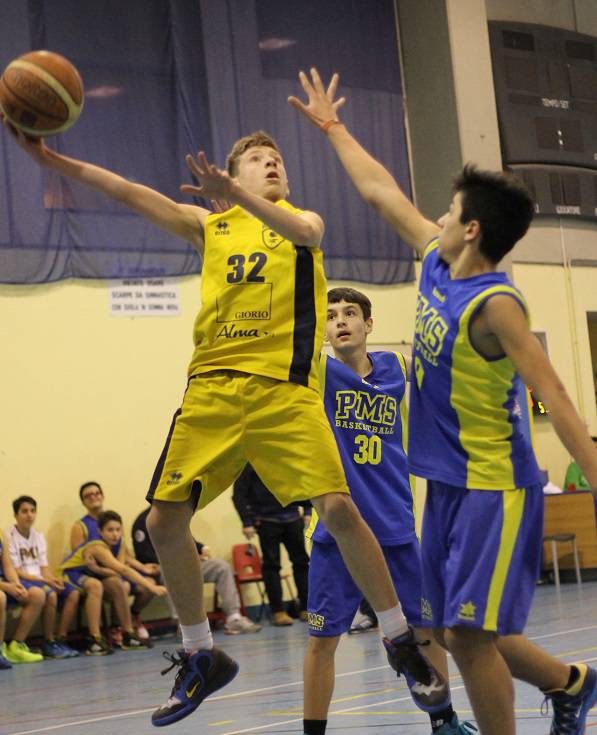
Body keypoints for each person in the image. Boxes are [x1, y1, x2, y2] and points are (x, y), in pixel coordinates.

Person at [4, 120, 444, 729]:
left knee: (340, 509)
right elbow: (130, 191)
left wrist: (240, 196)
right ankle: (200, 652)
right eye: (258, 160)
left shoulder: (301, 222)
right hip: (211, 390)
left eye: (276, 160)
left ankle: (400, 640)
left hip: (283, 392)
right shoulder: (210, 228)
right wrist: (53, 160)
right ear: (230, 177)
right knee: (162, 519)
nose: (271, 165)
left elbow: (305, 229)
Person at [289, 68, 597, 735]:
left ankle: (556, 695)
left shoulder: (497, 304)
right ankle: (569, 683)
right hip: (446, 486)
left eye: (450, 211)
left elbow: (556, 395)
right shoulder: (434, 259)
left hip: (494, 485)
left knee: (465, 634)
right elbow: (379, 191)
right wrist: (335, 128)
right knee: (450, 629)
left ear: (471, 229)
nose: (437, 216)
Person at [303, 287, 470, 735]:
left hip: (395, 525)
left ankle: (444, 721)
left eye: (350, 313)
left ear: (368, 325)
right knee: (322, 642)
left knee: (424, 630)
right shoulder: (319, 373)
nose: (340, 321)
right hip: (338, 534)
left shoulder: (396, 368)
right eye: (331, 315)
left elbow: (444, 383)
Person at [132, 507, 261, 635]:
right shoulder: (144, 521)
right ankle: (184, 625)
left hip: (186, 564)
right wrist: (176, 560)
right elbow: (144, 556)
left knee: (221, 567)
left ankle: (234, 618)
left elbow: (187, 540)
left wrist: (201, 548)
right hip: (163, 569)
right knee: (171, 572)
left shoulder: (175, 515)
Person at [59, 510, 166, 650]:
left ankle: (128, 633)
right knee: (95, 585)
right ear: (100, 531)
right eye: (110, 530)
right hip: (71, 573)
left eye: (118, 530)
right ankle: (94, 638)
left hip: (92, 574)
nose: (115, 534)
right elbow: (123, 570)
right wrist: (154, 588)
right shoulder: (97, 546)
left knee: (118, 583)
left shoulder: (119, 543)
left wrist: (98, 570)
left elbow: (119, 570)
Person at [71, 481, 159, 641]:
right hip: (97, 574)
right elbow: (83, 560)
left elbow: (125, 555)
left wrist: (143, 568)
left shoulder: (113, 521)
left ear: (103, 495)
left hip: (115, 569)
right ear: (83, 501)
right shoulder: (80, 526)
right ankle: (116, 629)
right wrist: (104, 570)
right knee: (120, 584)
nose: (93, 497)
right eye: (88, 495)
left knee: (148, 582)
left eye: (96, 493)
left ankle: (133, 617)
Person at [232, 463, 310, 625]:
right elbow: (238, 494)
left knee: (302, 562)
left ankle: (307, 608)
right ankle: (278, 611)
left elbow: (303, 482)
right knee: (272, 566)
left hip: (293, 517)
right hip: (266, 520)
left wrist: (308, 511)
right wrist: (247, 522)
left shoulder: (285, 458)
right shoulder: (249, 463)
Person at [6, 496, 79, 658]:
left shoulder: (38, 536)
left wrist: (52, 579)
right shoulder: (9, 536)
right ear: (16, 514)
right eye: (24, 511)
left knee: (72, 592)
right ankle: (48, 641)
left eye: (32, 511)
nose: (29, 515)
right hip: (23, 580)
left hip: (39, 580)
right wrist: (46, 581)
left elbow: (44, 569)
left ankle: (60, 639)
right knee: (50, 594)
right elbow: (16, 571)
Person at [0, 528, 44, 666]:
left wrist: (16, 584)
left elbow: (7, 565)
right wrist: (6, 587)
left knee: (36, 594)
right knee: (0, 598)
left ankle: (16, 645)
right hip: (1, 587)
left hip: (3, 582)